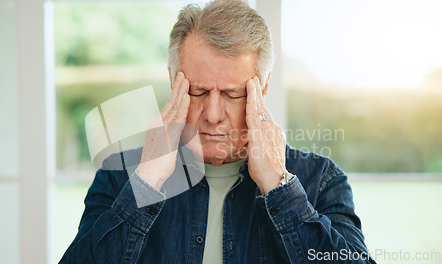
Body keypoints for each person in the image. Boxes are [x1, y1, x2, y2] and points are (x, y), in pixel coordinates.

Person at [60, 0, 375, 263]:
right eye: (197, 91)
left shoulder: (319, 179)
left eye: (232, 94)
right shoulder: (119, 176)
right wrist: (145, 183)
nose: (212, 115)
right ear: (174, 83)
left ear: (261, 89)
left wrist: (279, 188)